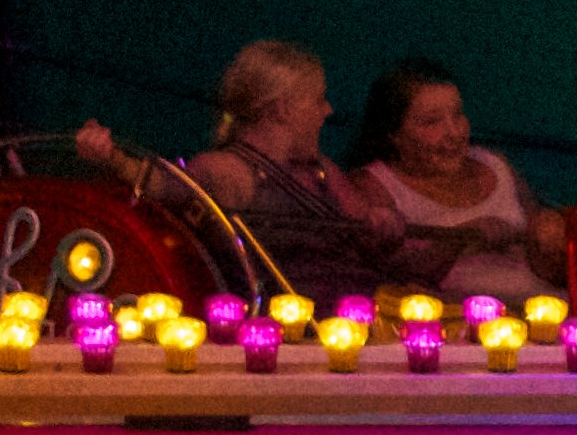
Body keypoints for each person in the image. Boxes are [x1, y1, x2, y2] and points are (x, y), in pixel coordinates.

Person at [76, 41, 409, 303]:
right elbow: (163, 185)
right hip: (291, 331)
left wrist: (384, 223)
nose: (327, 110)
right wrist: (110, 156)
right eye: (318, 100)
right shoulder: (227, 171)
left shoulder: (323, 172)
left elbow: (370, 235)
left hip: (361, 313)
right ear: (283, 109)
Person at [348, 57, 567, 302]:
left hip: (547, 311)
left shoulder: (496, 165)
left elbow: (548, 256)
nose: (454, 132)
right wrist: (459, 240)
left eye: (458, 115)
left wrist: (553, 241)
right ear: (393, 133)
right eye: (432, 122)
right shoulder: (374, 187)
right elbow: (382, 276)